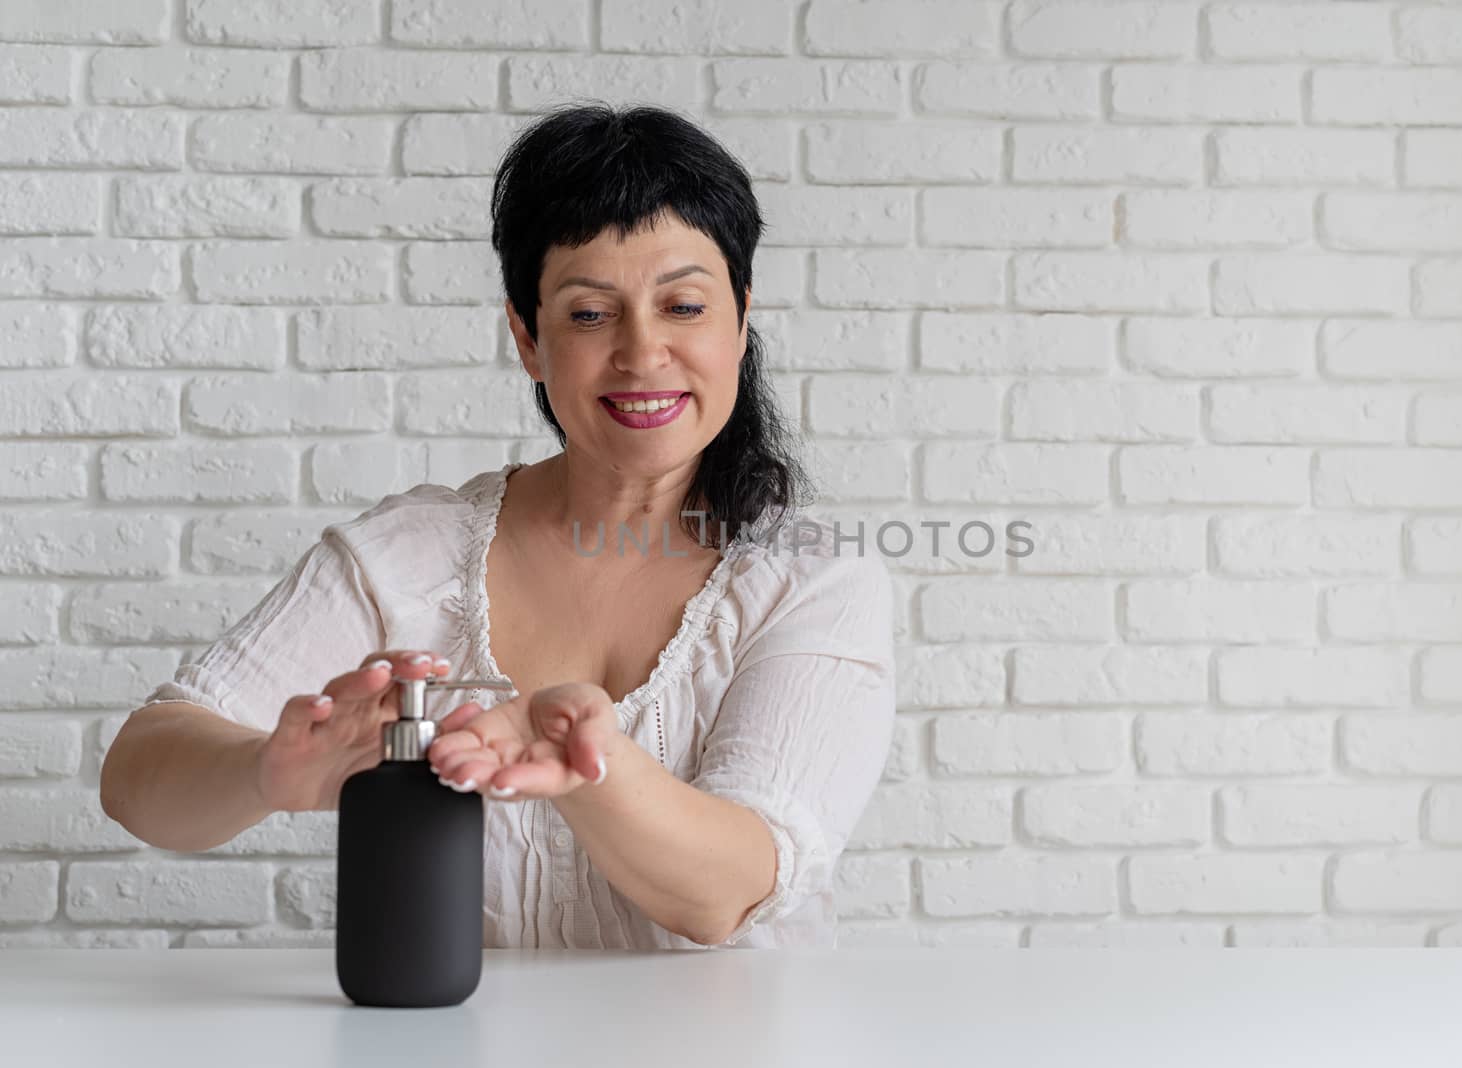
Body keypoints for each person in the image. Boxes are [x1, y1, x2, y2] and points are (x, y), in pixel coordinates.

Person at [99, 102, 897, 951]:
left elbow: (730, 890)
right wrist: (268, 771)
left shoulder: (814, 582)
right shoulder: (409, 554)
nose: (642, 352)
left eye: (684, 307)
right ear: (527, 336)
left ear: (740, 318)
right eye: (590, 314)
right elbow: (139, 778)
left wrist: (585, 764)